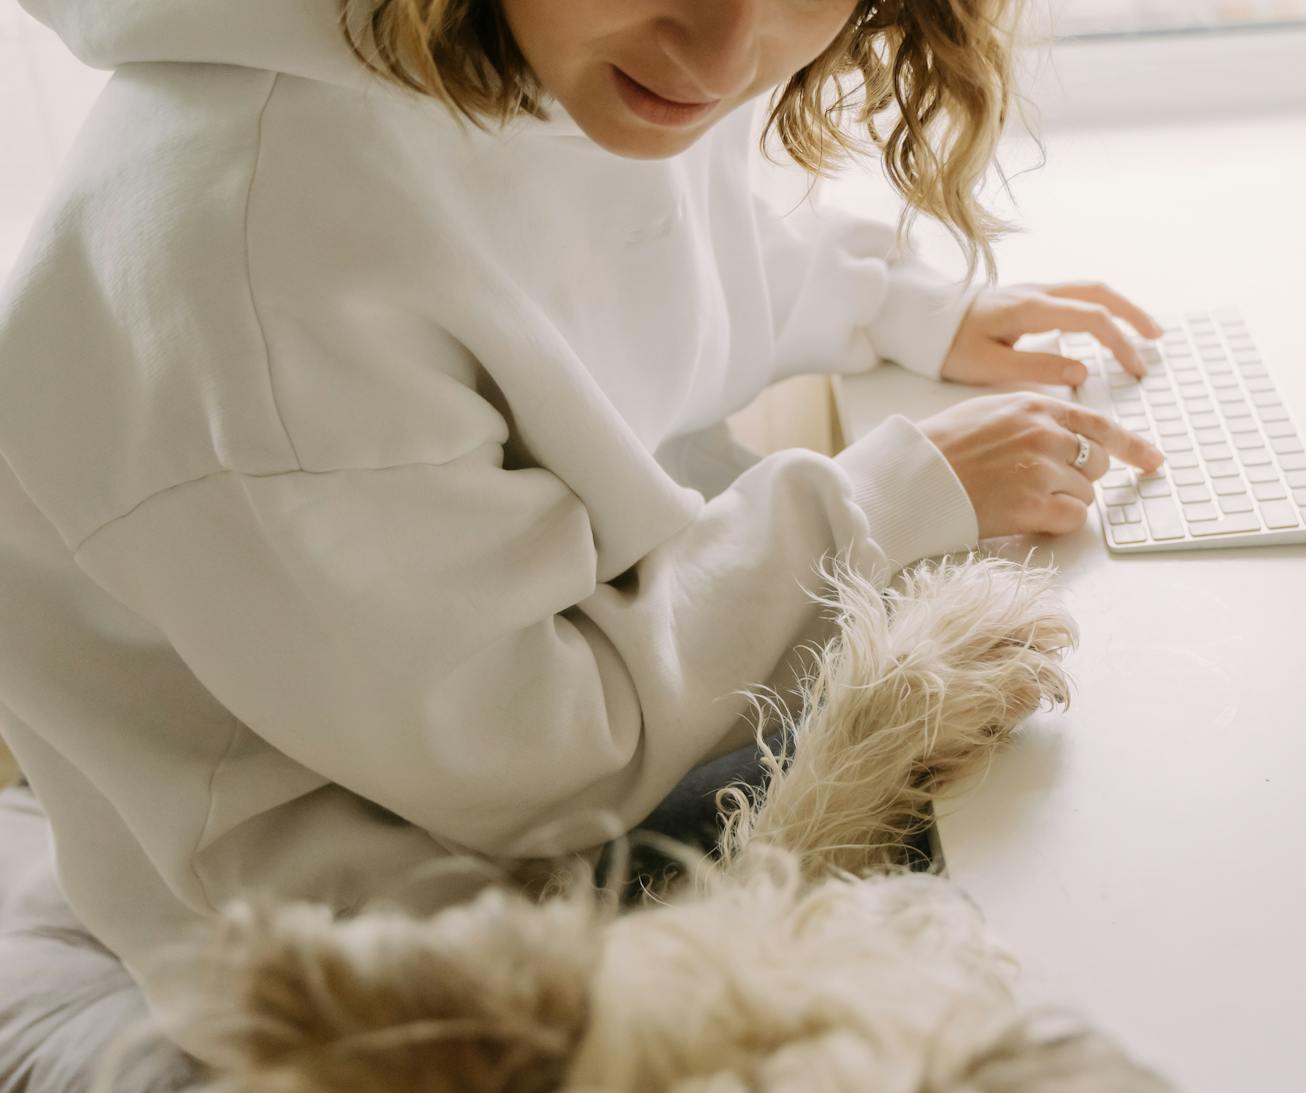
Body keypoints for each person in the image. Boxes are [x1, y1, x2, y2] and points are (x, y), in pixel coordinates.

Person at [0, 0, 1165, 1013]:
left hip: (540, 760)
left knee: (1104, 777)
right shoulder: (258, 262)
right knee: (1100, 885)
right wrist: (899, 495)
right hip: (394, 929)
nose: (719, 56)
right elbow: (533, 756)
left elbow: (671, 255)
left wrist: (901, 309)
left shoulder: (541, 50)